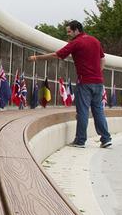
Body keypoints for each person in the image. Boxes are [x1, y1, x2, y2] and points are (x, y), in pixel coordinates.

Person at [29, 20, 112, 148]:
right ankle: (106, 139)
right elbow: (103, 59)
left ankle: (80, 140)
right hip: (98, 82)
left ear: (76, 30)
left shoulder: (76, 42)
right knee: (98, 110)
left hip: (84, 82)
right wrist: (98, 73)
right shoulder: (95, 41)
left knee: (83, 111)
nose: (68, 34)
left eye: (69, 31)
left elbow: (57, 55)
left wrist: (37, 58)